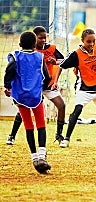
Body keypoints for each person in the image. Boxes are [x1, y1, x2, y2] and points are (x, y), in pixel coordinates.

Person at [53, 28, 96, 148]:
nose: (92, 44)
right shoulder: (76, 54)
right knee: (77, 110)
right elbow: (61, 66)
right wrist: (55, 81)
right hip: (84, 88)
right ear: (82, 40)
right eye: (89, 41)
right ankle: (66, 139)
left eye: (94, 41)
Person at [5, 26, 66, 145]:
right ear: (34, 39)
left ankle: (59, 135)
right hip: (32, 85)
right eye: (40, 38)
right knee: (24, 108)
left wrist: (55, 61)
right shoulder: (29, 51)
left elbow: (63, 60)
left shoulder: (51, 48)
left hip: (47, 85)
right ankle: (12, 135)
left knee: (61, 105)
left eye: (45, 38)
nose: (43, 40)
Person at [3, 31, 52, 173]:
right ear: (34, 44)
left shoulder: (15, 56)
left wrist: (7, 86)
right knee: (41, 124)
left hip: (20, 97)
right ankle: (42, 154)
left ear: (20, 44)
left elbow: (9, 70)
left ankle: (34, 157)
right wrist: (41, 88)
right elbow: (47, 76)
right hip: (35, 97)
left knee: (28, 125)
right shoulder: (39, 56)